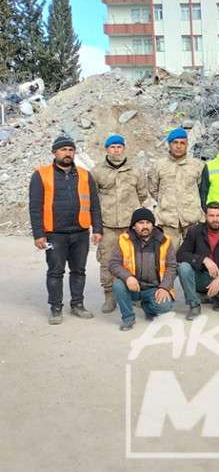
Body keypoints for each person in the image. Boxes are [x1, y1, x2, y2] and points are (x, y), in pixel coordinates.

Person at [29, 135, 103, 324]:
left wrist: (97, 229)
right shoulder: (41, 174)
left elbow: (94, 204)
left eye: (71, 150)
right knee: (55, 272)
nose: (67, 153)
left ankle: (77, 304)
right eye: (63, 150)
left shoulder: (85, 175)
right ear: (54, 152)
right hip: (55, 234)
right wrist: (39, 234)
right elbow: (35, 207)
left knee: (79, 271)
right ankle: (56, 308)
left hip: (80, 232)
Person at [91, 134, 148, 314]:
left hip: (130, 225)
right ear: (107, 149)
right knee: (107, 260)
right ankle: (110, 296)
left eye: (119, 147)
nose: (116, 150)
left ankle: (136, 293)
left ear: (124, 148)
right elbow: (93, 198)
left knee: (136, 259)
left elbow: (142, 194)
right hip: (107, 225)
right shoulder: (97, 171)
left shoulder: (135, 170)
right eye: (112, 147)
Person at [108, 208, 175, 331]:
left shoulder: (164, 241)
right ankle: (128, 318)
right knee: (118, 284)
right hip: (133, 286)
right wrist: (128, 277)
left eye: (148, 223)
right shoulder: (124, 240)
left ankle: (147, 307)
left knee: (165, 306)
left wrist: (164, 287)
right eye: (141, 223)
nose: (145, 226)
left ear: (153, 225)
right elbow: (113, 263)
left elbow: (172, 266)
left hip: (154, 287)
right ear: (133, 226)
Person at [176, 201, 219, 320]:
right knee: (183, 267)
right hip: (200, 275)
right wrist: (203, 260)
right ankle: (194, 304)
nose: (215, 219)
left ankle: (216, 297)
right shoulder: (194, 232)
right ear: (205, 216)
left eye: (218, 215)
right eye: (211, 215)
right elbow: (180, 255)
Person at [149, 128, 204, 250]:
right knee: (167, 255)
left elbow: (201, 188)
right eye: (175, 142)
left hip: (191, 219)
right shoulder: (159, 166)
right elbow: (153, 189)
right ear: (169, 144)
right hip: (167, 220)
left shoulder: (197, 165)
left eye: (182, 143)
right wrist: (166, 202)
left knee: (194, 255)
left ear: (187, 145)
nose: (178, 146)